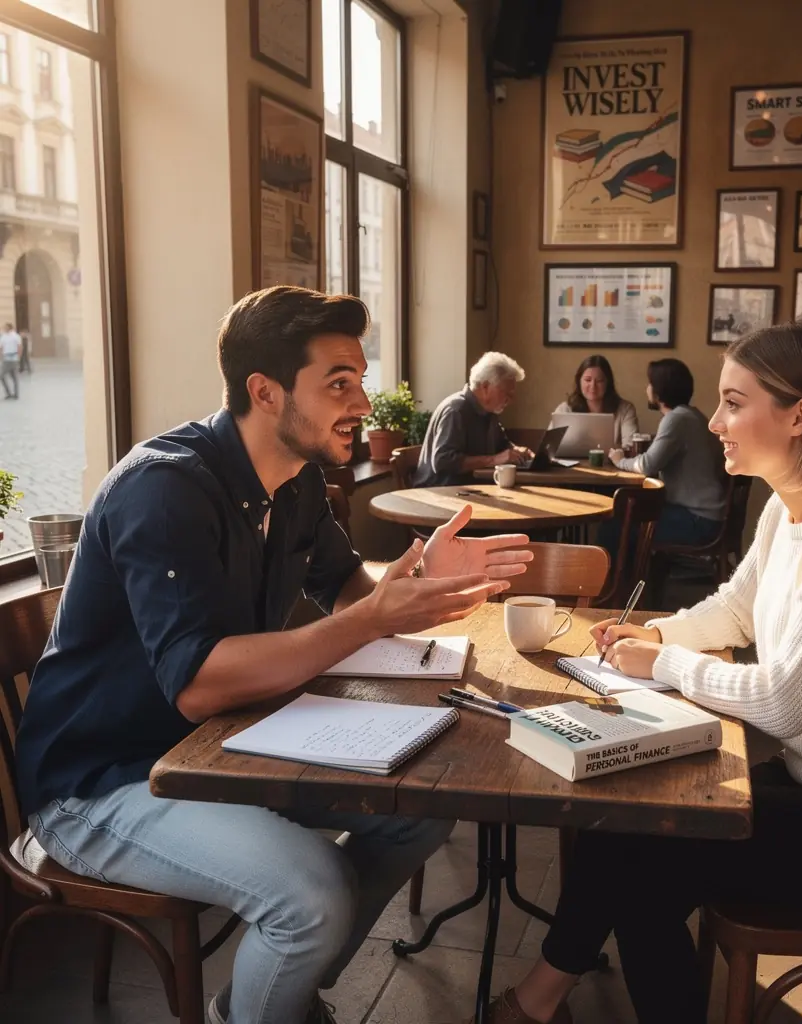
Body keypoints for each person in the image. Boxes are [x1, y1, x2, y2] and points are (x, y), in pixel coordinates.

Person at [15, 286, 535, 1024]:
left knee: (417, 816)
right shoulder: (163, 489)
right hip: (101, 780)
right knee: (313, 891)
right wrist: (377, 615)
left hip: (222, 748)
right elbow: (197, 685)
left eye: (360, 380)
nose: (363, 403)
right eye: (339, 384)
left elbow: (352, 601)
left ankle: (280, 996)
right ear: (265, 391)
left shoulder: (296, 485)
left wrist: (414, 582)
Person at [475, 321, 802, 1024]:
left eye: (735, 402)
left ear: (800, 415)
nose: (715, 420)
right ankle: (537, 1001)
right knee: (630, 825)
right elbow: (735, 611)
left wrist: (665, 661)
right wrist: (654, 632)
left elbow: (786, 700)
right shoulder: (791, 511)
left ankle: (532, 1003)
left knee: (639, 867)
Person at [608, 358, 726, 547]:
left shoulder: (676, 419)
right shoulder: (692, 415)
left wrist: (619, 460)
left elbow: (647, 465)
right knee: (628, 517)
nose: (646, 388)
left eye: (650, 383)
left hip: (698, 520)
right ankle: (643, 575)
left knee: (614, 526)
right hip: (706, 515)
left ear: (659, 389)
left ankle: (626, 577)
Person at [412, 351, 532, 487]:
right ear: (485, 386)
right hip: (439, 495)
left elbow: (502, 445)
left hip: (467, 492)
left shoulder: (489, 411)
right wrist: (493, 460)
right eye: (507, 393)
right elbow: (442, 461)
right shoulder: (456, 410)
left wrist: (518, 452)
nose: (510, 400)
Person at [550, 354, 640, 449]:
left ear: (608, 383)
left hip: (611, 463)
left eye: (599, 381)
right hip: (573, 463)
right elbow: (550, 446)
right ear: (579, 381)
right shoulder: (565, 409)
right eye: (587, 380)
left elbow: (630, 447)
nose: (593, 386)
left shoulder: (625, 410)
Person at [0, 321, 21, 399]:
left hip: (13, 358)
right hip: (6, 358)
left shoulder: (16, 336)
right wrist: (1, 356)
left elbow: (19, 347)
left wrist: (18, 357)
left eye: (5, 327)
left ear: (9, 327)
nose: (4, 328)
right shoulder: (3, 336)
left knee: (14, 377)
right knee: (2, 376)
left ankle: (16, 394)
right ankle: (8, 393)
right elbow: (1, 347)